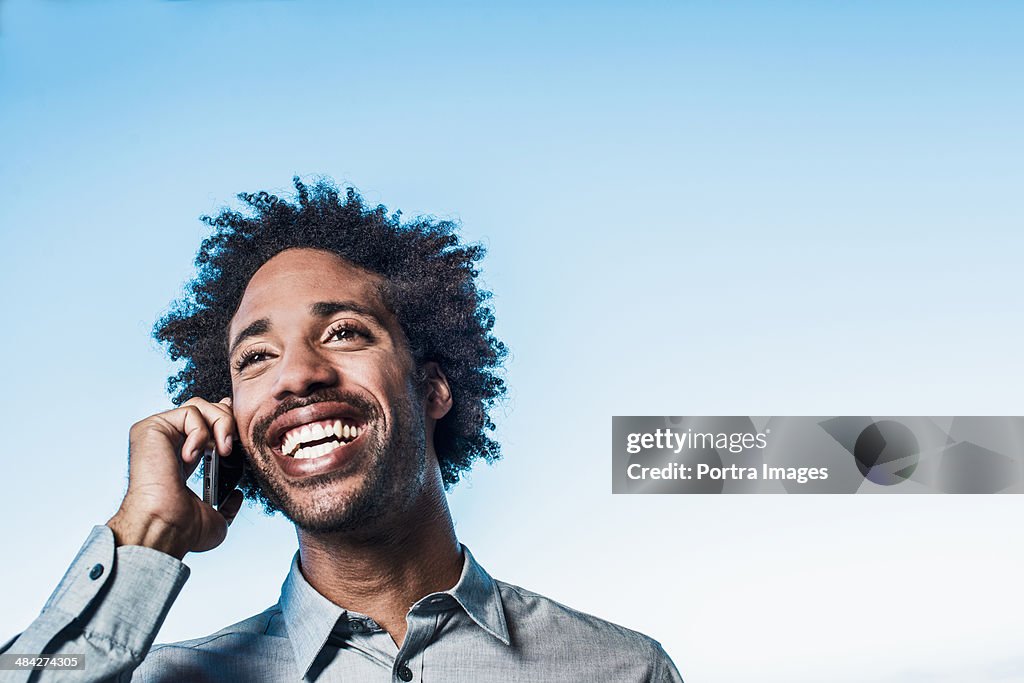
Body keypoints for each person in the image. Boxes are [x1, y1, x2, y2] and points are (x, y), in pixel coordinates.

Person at [0, 178, 683, 682]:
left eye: (344, 332)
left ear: (433, 387)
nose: (296, 375)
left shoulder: (622, 668)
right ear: (231, 425)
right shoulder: (166, 677)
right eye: (256, 357)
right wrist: (141, 535)